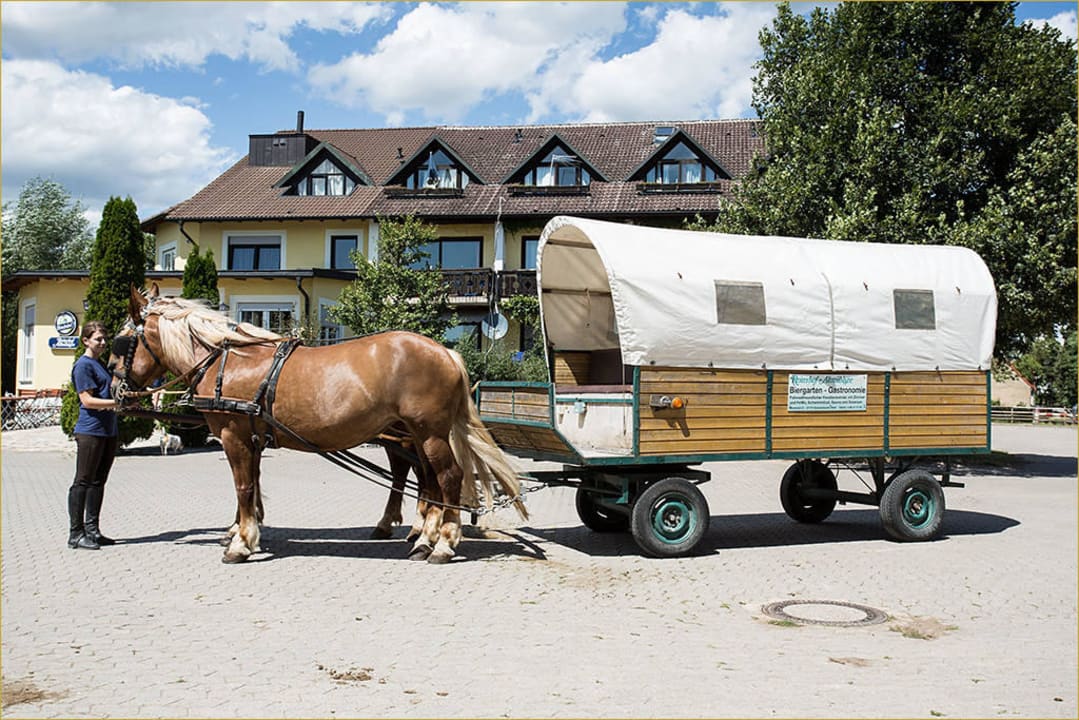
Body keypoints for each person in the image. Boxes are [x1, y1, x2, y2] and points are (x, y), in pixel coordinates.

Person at [67, 321, 120, 550]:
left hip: (108, 431)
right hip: (90, 431)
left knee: (99, 481)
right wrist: (116, 403)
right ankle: (75, 534)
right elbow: (87, 400)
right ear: (86, 340)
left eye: (104, 339)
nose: (103, 343)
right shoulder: (84, 366)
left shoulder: (100, 366)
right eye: (98, 339)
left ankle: (93, 530)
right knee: (83, 481)